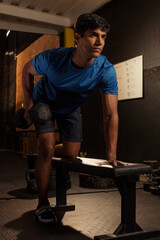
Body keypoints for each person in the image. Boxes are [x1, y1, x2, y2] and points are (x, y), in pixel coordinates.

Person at [22, 13, 123, 224]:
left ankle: (40, 156)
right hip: (45, 102)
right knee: (48, 147)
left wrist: (111, 155)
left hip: (70, 108)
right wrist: (29, 103)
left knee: (71, 154)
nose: (100, 42)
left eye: (103, 36)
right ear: (77, 38)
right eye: (93, 35)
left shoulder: (105, 69)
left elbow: (111, 114)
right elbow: (26, 70)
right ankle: (42, 204)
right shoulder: (53, 58)